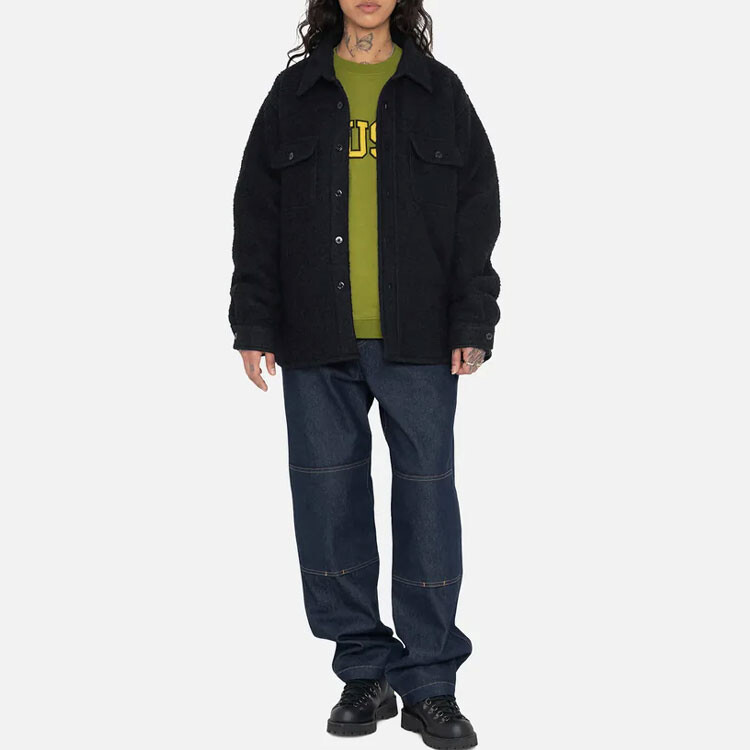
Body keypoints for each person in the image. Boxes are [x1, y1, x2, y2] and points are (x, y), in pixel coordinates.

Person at [229, 1, 500, 747]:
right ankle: (364, 670)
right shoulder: (294, 95)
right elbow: (256, 213)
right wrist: (253, 321)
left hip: (420, 337)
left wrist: (473, 321)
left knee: (427, 505)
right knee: (328, 507)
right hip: (315, 333)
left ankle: (432, 684)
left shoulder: (439, 92)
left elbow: (477, 213)